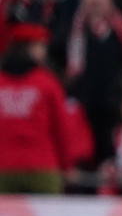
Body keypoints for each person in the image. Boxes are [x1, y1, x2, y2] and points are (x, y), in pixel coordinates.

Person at [0, 24, 70, 194]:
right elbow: (62, 128)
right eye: (41, 46)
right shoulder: (47, 82)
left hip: (4, 167)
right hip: (42, 167)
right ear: (28, 48)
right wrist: (66, 165)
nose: (44, 51)